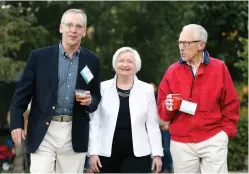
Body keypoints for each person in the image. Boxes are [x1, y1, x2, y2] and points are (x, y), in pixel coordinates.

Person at [9, 8, 101, 173]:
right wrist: (16, 124)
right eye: (69, 25)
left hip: (75, 132)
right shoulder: (39, 57)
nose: (73, 30)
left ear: (84, 32)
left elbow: (96, 97)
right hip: (44, 130)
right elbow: (21, 95)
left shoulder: (92, 60)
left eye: (79, 26)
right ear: (61, 28)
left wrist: (90, 101)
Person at [157, 24, 240, 173]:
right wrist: (167, 106)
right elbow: (162, 112)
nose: (181, 47)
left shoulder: (219, 68)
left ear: (201, 44)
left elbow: (231, 104)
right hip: (181, 143)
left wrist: (225, 134)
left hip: (213, 138)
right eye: (180, 42)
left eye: (186, 43)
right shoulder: (172, 71)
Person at [88, 47, 163, 173]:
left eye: (130, 61)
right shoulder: (102, 88)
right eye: (121, 61)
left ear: (136, 66)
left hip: (138, 153)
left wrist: (157, 154)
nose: (125, 65)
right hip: (106, 152)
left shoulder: (146, 90)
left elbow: (152, 125)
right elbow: (94, 123)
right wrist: (93, 152)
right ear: (115, 64)